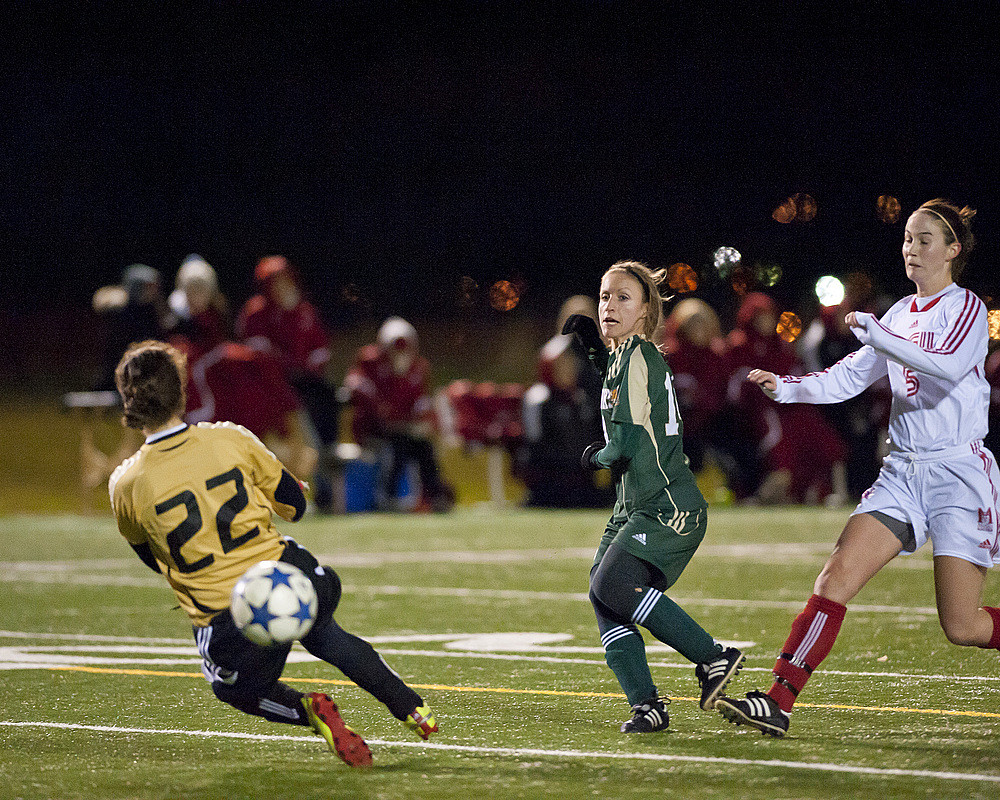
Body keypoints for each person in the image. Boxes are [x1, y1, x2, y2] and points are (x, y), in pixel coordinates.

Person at [717, 199, 1000, 737]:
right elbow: (849, 377)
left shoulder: (964, 308)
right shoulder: (896, 315)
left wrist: (881, 335)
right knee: (836, 574)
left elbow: (945, 365)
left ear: (953, 250)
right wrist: (790, 389)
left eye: (924, 240)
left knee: (962, 626)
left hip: (958, 476)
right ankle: (777, 700)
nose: (910, 249)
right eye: (908, 238)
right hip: (904, 473)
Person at [108, 340, 438, 766]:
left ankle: (309, 710)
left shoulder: (125, 484)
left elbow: (152, 557)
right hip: (290, 570)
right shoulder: (230, 437)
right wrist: (291, 490)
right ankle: (411, 706)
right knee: (323, 632)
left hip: (230, 620)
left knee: (233, 689)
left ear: (128, 403)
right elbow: (296, 507)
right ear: (183, 391)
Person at [564, 260, 745, 734]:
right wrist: (596, 356)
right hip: (635, 505)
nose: (609, 305)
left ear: (646, 311)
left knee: (614, 587)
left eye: (624, 297)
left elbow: (622, 443)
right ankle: (646, 706)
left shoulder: (637, 357)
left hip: (667, 505)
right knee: (603, 593)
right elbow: (626, 390)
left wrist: (591, 459)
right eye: (604, 296)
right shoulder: (626, 356)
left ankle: (713, 657)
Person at [237, 256, 341, 512]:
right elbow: (259, 356)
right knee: (288, 442)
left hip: (303, 385)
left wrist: (308, 367)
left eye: (286, 280)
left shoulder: (303, 310)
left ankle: (323, 492)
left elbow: (319, 349)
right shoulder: (256, 312)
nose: (283, 286)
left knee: (322, 430)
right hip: (268, 389)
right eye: (276, 282)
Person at [343, 317, 454, 512]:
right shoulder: (370, 363)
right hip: (375, 429)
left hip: (404, 429)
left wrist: (425, 422)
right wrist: (380, 406)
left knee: (425, 448)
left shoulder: (419, 368)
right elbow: (355, 385)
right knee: (398, 447)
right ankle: (388, 495)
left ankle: (433, 495)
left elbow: (422, 402)